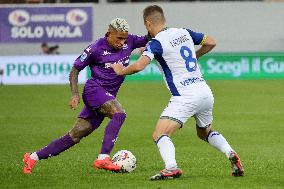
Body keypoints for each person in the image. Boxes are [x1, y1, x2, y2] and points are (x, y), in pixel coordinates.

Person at [109, 5, 244, 180]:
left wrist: (121, 70)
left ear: (148, 24)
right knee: (205, 132)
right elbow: (211, 42)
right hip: (204, 91)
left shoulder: (156, 43)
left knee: (160, 134)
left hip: (185, 96)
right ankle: (230, 152)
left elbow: (140, 65)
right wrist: (195, 56)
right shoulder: (183, 32)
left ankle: (171, 167)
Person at [23, 18, 148, 174]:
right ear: (108, 34)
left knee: (75, 135)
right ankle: (103, 158)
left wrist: (161, 32)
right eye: (119, 38)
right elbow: (74, 70)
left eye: (125, 38)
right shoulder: (95, 48)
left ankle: (32, 157)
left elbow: (150, 37)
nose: (123, 42)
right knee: (119, 114)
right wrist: (74, 94)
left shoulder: (130, 41)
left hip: (106, 97)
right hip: (94, 90)